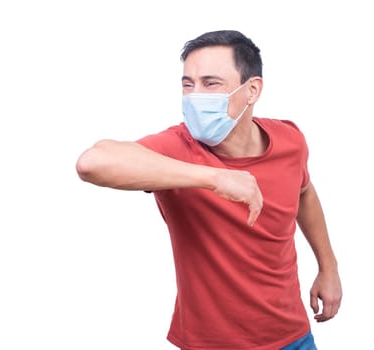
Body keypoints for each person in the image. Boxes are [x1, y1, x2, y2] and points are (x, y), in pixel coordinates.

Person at [75, 30, 342, 350]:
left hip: (293, 336)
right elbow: (92, 162)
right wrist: (214, 177)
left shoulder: (290, 139)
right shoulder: (175, 149)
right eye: (188, 84)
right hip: (210, 343)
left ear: (252, 90)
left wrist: (329, 268)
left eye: (211, 84)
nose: (195, 95)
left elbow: (304, 193)